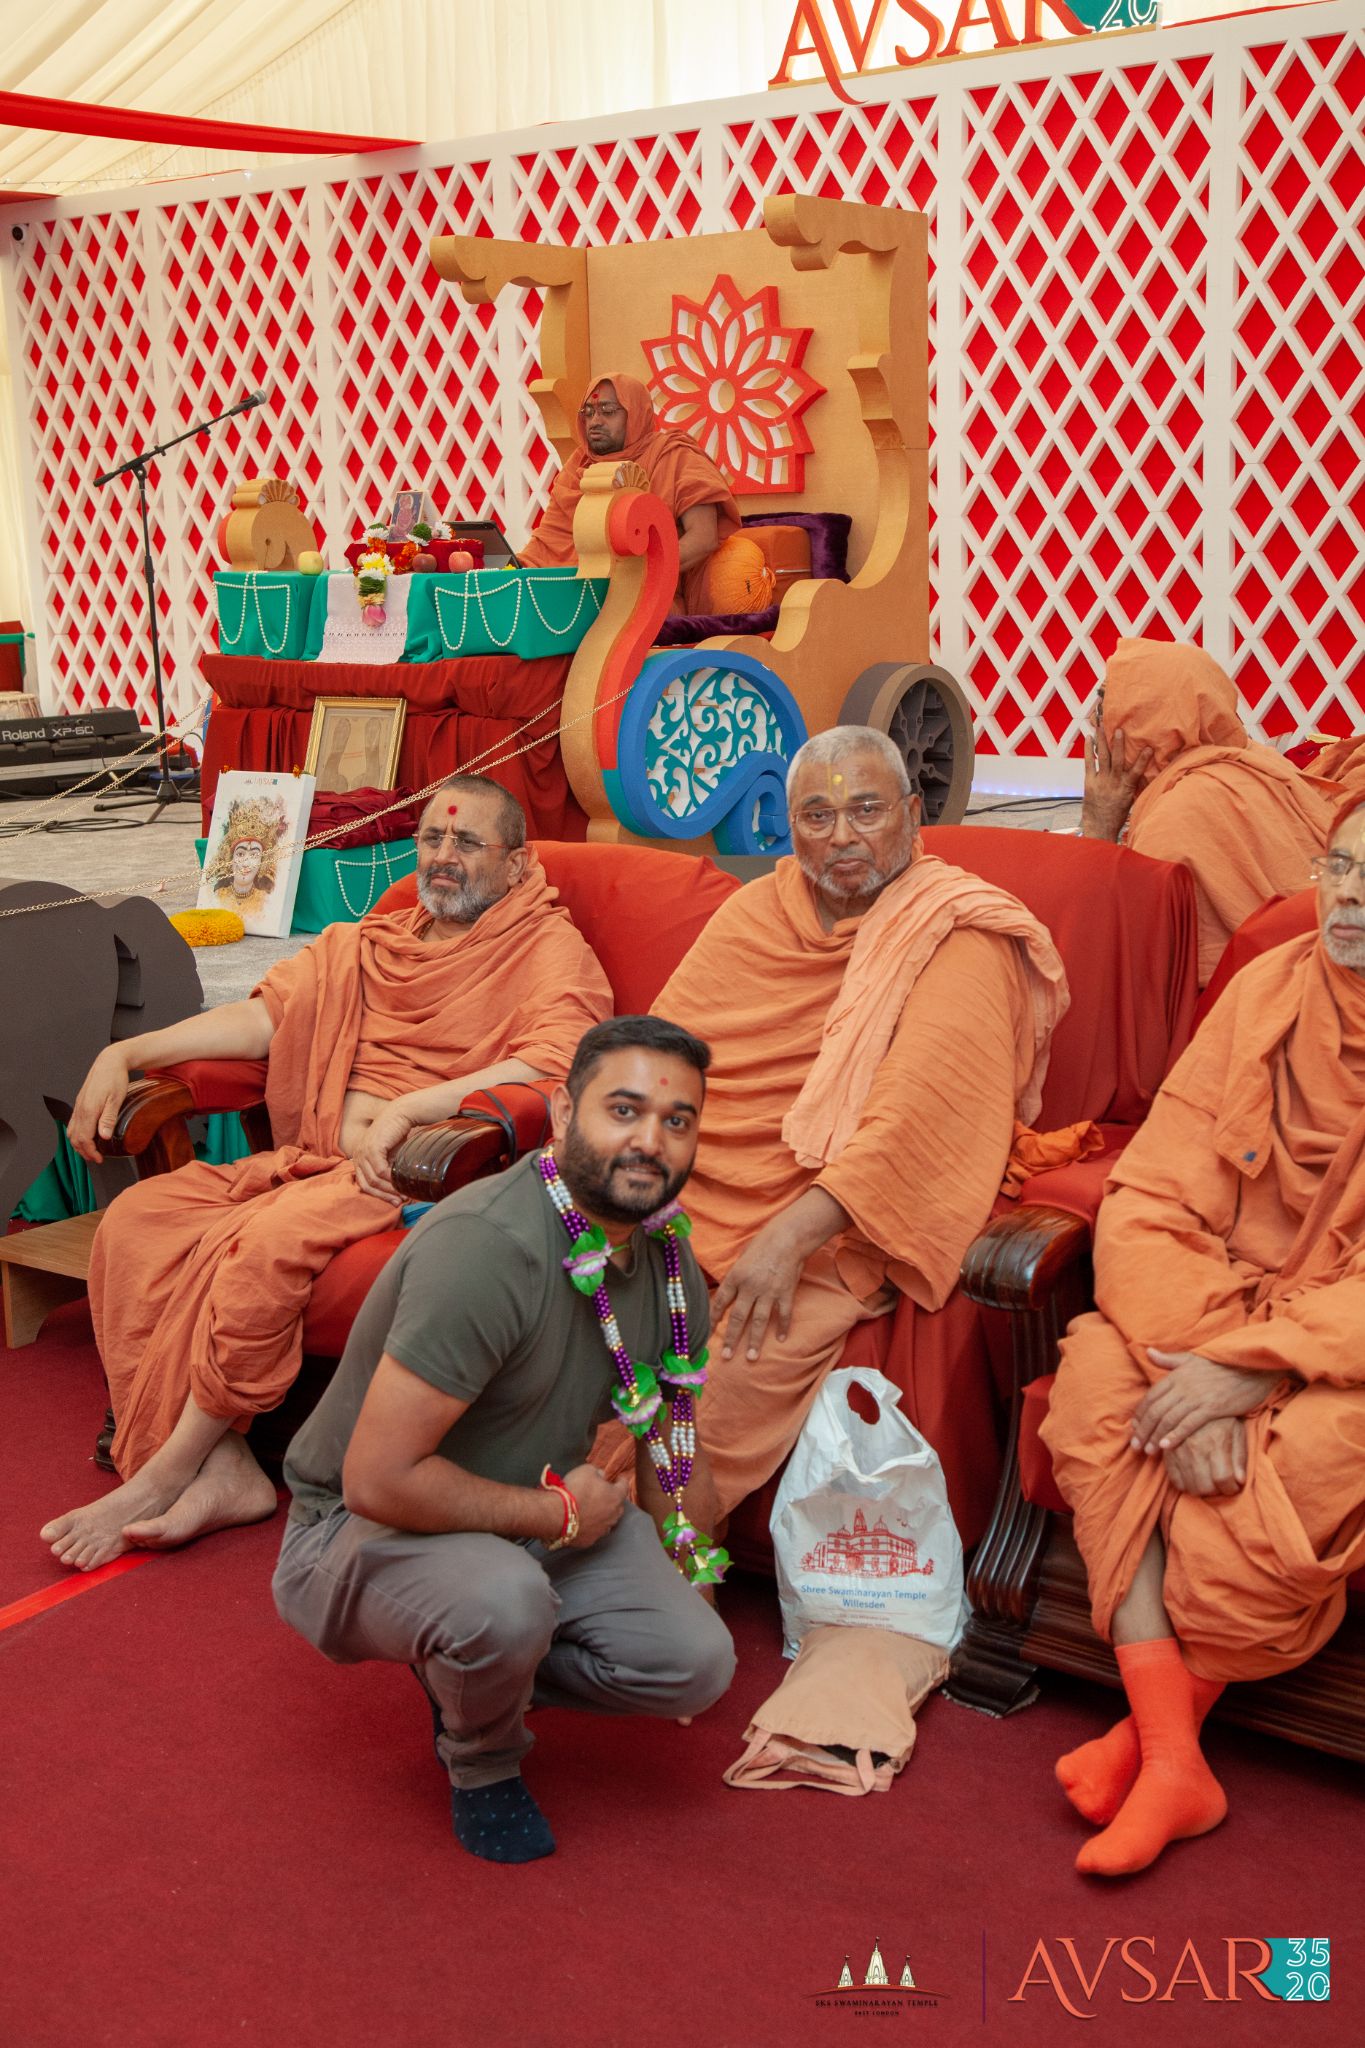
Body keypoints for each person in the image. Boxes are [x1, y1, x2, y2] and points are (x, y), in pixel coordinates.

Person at [41, 776, 612, 1572]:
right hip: (308, 1160)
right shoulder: (369, 944)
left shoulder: (545, 947)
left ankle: (165, 1472)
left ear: (517, 864)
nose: (442, 859)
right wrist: (126, 1051)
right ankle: (227, 1468)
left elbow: (562, 1061)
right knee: (141, 1219)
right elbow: (265, 1018)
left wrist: (416, 1108)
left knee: (266, 1247)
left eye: (467, 843)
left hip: (417, 1179)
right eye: (430, 841)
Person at [272, 1015, 735, 1865]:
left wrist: (691, 1592)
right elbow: (376, 1481)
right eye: (623, 1111)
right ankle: (481, 1757)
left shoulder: (668, 1262)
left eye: (677, 1121)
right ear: (562, 1114)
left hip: (531, 1517)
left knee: (697, 1665)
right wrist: (558, 1517)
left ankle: (478, 1665)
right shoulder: (487, 1248)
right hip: (357, 1529)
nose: (650, 1141)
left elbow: (672, 1456)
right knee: (503, 1605)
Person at [597, 726, 1070, 1533]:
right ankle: (544, 1534)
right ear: (788, 828)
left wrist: (786, 1240)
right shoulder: (758, 910)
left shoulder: (957, 931)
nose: (842, 836)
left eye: (865, 810)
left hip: (831, 1226)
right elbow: (661, 1061)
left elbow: (917, 1120)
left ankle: (648, 1589)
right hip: (686, 1198)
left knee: (700, 1409)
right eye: (816, 816)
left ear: (913, 815)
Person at [1039, 795, 1365, 1877]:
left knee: (1322, 1454)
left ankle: (1155, 1740)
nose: (1351, 897)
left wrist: (1248, 1371)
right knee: (1093, 1383)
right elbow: (1151, 1194)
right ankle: (1178, 1757)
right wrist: (1208, 1355)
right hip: (1211, 1306)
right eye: (1341, 866)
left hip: (1337, 1341)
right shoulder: (1269, 992)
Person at [1081, 638, 1335, 986]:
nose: (1095, 721)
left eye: (1105, 705)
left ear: (1145, 719)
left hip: (1249, 1009)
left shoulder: (1176, 819)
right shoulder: (1257, 759)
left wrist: (1098, 828)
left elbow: (1112, 957)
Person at [518, 372, 739, 608]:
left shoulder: (674, 455)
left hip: (646, 602)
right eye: (589, 412)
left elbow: (703, 538)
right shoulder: (579, 465)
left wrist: (636, 575)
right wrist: (508, 571)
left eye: (608, 411)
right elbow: (548, 542)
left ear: (636, 414)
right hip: (572, 594)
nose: (595, 421)